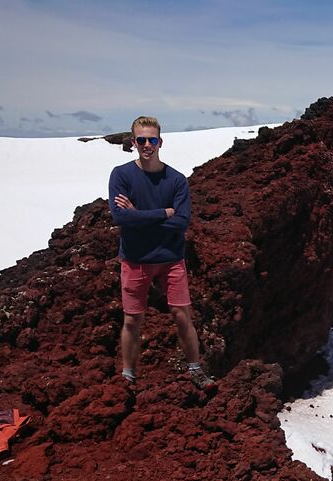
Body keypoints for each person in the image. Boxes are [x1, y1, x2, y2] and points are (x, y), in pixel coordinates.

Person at [107, 116, 215, 391]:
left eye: (151, 140)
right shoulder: (121, 175)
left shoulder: (176, 180)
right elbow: (121, 218)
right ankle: (128, 375)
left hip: (170, 259)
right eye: (141, 140)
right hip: (135, 260)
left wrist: (138, 215)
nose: (147, 145)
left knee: (182, 314)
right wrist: (161, 213)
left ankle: (195, 369)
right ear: (133, 143)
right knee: (132, 319)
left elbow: (181, 222)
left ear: (160, 142)